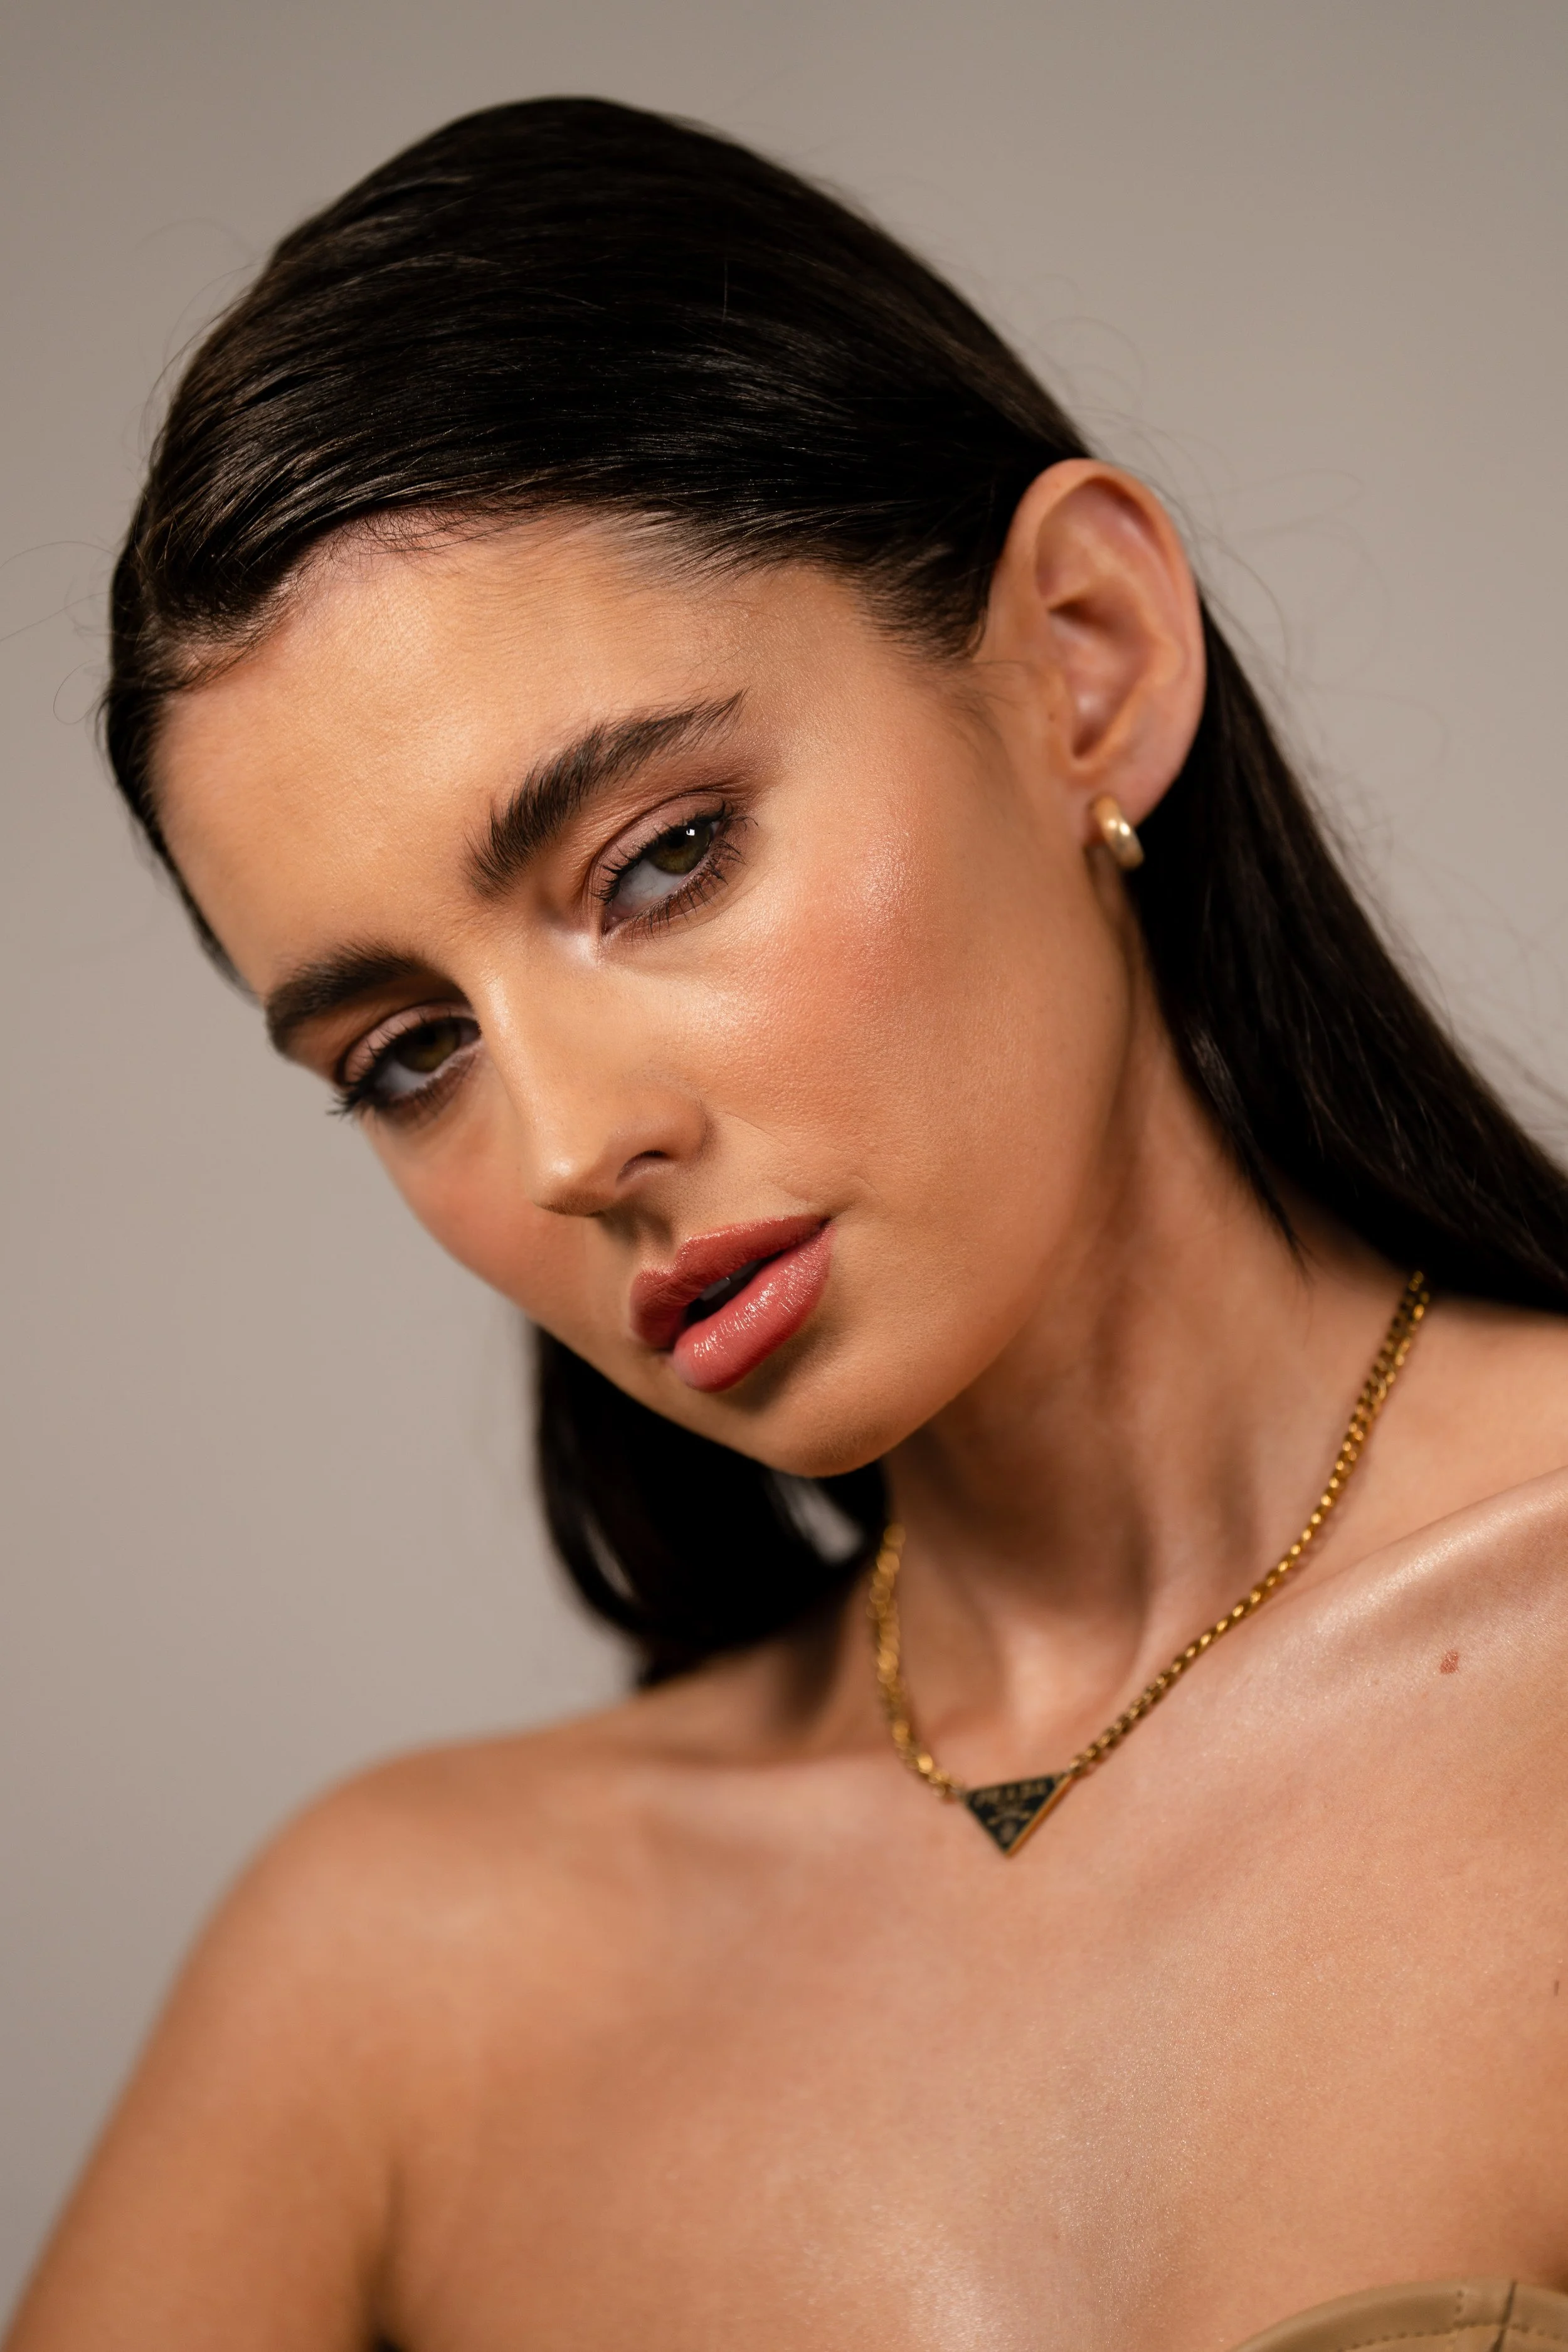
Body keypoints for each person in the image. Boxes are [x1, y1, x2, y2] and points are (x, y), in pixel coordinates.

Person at [9, 94, 1568, 2352]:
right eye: (404, 1051)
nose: (568, 1140)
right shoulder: (395, 1981)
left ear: (1083, 659)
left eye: (659, 859)